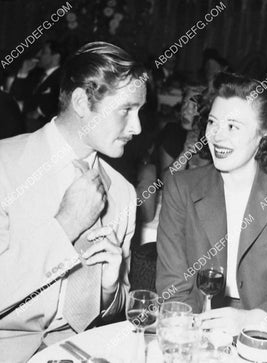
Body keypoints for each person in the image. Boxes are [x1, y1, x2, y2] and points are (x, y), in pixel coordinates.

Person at [0, 41, 146, 361]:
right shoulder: (5, 166)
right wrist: (65, 225)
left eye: (139, 112)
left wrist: (109, 291)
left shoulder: (122, 192)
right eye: (126, 109)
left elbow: (115, 308)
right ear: (81, 102)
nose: (137, 127)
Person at [156, 72, 267, 335]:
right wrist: (197, 335)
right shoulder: (181, 188)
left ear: (264, 133)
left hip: (263, 331)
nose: (217, 136)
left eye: (233, 126)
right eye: (213, 122)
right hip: (194, 327)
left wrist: (251, 321)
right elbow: (173, 287)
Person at [10, 40, 64, 132]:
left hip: (43, 128)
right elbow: (16, 95)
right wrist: (23, 72)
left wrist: (39, 111)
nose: (39, 56)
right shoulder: (36, 74)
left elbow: (58, 101)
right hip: (24, 121)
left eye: (44, 52)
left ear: (56, 57)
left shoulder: (62, 77)